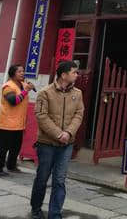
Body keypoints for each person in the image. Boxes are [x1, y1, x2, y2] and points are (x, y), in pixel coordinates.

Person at [30, 61, 83, 219]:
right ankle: (36, 208)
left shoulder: (78, 93)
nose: (76, 75)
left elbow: (79, 114)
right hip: (47, 144)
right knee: (42, 177)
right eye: (74, 72)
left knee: (59, 180)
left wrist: (68, 132)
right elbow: (41, 116)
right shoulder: (45, 93)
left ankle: (55, 213)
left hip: (66, 144)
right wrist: (59, 134)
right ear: (63, 75)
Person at [0, 64, 34, 176]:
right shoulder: (8, 86)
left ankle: (11, 166)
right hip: (7, 123)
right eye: (19, 71)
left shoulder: (22, 84)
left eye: (23, 71)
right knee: (3, 148)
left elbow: (31, 89)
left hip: (19, 124)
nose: (22, 73)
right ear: (12, 73)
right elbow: (13, 101)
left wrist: (30, 86)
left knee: (16, 147)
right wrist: (25, 91)